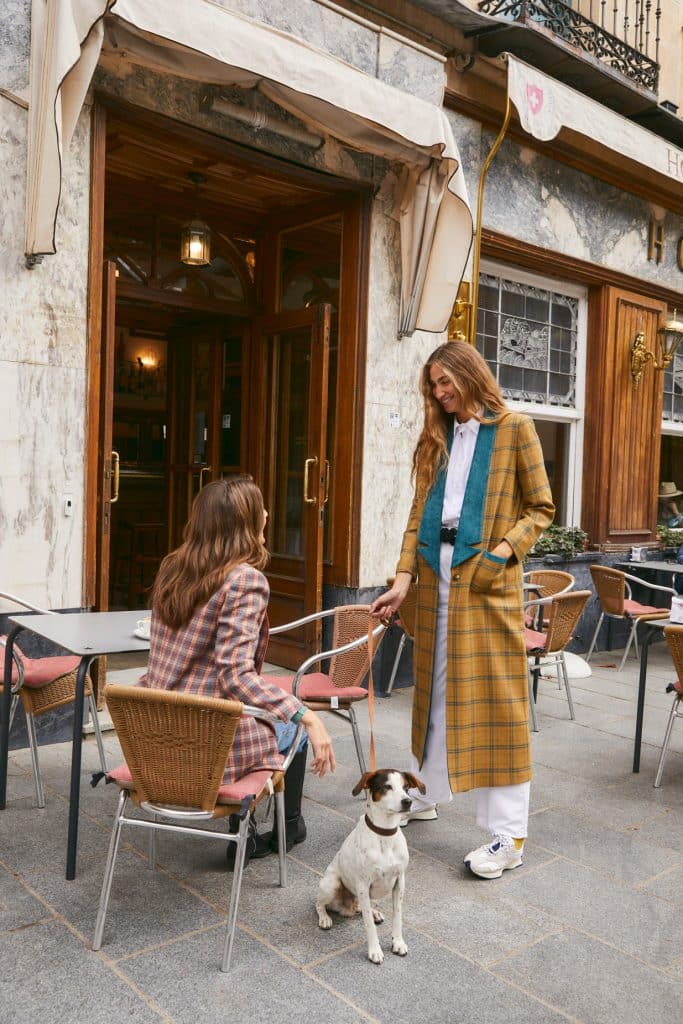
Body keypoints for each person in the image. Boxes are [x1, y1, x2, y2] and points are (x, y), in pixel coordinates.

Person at [370, 340, 554, 879]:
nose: (440, 393)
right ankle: (425, 790)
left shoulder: (514, 428)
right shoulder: (438, 436)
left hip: (486, 585)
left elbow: (541, 507)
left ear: (472, 376)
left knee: (499, 701)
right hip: (433, 582)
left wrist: (500, 555)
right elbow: (415, 516)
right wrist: (403, 579)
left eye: (446, 382)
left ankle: (508, 836)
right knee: (433, 690)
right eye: (433, 385)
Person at [142, 475, 335, 868]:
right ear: (245, 524)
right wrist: (307, 715)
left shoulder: (173, 568)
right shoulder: (245, 580)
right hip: (208, 743)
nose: (267, 513)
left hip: (157, 735)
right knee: (291, 726)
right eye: (260, 508)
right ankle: (284, 828)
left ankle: (247, 833)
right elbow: (235, 677)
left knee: (252, 713)